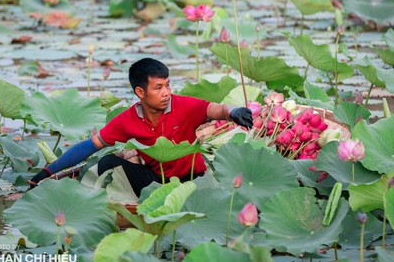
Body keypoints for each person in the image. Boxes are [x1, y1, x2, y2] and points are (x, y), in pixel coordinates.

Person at [28, 57, 253, 196]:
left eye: (167, 85)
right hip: (157, 182)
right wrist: (46, 172)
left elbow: (217, 109)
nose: (166, 93)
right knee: (107, 162)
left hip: (194, 181)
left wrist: (234, 112)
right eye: (158, 88)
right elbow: (90, 146)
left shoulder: (184, 105)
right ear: (140, 92)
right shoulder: (127, 120)